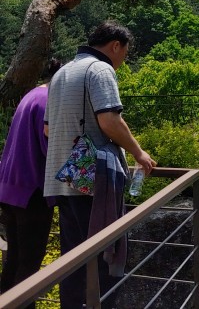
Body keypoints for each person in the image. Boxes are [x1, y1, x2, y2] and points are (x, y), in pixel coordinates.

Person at [43, 21, 156, 309]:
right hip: (94, 181)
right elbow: (109, 121)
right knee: (106, 254)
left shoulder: (61, 73)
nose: (123, 61)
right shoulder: (100, 69)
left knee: (73, 257)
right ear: (116, 46)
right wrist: (139, 153)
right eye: (125, 54)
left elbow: (47, 129)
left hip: (64, 177)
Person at [0, 58, 62, 307]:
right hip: (33, 191)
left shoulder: (32, 95)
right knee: (29, 265)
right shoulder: (50, 101)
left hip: (11, 188)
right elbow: (52, 148)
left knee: (14, 260)